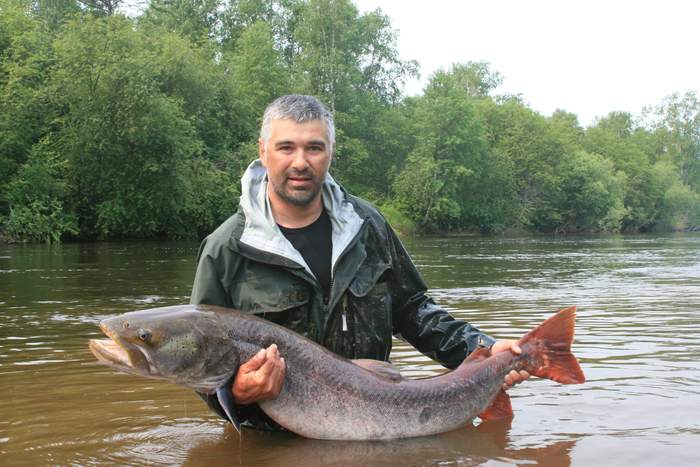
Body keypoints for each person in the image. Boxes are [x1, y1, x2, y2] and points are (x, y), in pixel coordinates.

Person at [190, 94, 529, 430]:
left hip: (380, 420)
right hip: (273, 440)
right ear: (263, 151)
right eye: (286, 147)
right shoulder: (226, 249)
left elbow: (412, 309)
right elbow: (200, 364)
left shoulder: (368, 225)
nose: (300, 162)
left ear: (330, 152)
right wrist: (237, 394)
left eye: (314, 147)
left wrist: (483, 348)